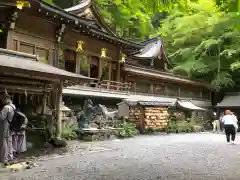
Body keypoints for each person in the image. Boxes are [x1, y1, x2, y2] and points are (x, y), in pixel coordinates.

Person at [0, 94, 15, 165]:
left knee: (4, 143)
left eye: (3, 99)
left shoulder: (6, 107)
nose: (2, 101)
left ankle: (5, 159)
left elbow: (2, 117)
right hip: (11, 127)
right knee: (10, 142)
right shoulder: (13, 106)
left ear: (6, 99)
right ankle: (10, 157)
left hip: (5, 128)